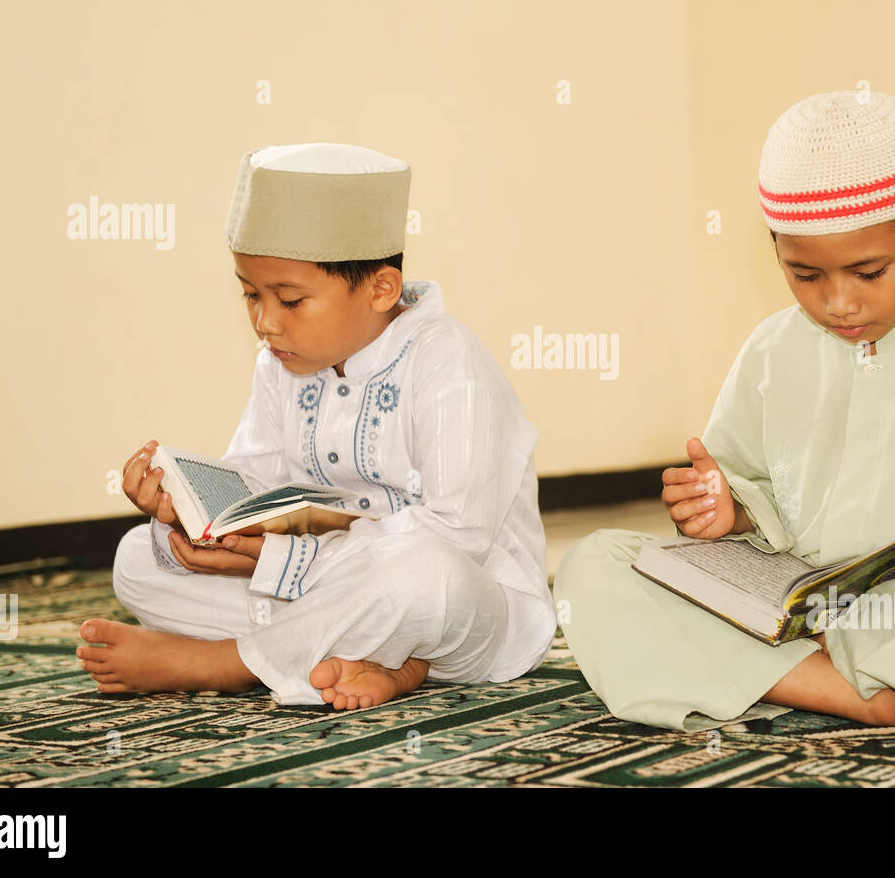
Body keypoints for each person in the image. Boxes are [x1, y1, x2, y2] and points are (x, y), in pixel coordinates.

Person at [553, 91, 895, 744]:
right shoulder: (770, 350)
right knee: (593, 565)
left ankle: (804, 675)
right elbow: (745, 487)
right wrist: (728, 510)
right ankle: (885, 702)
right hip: (803, 606)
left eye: (868, 271)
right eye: (805, 275)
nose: (839, 302)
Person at [77, 142, 556, 709]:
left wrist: (288, 561)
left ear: (380, 289)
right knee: (139, 557)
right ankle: (383, 663)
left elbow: (458, 538)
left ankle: (229, 662)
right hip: (321, 587)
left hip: (468, 606)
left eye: (290, 300)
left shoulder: (449, 363)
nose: (263, 322)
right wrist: (190, 511)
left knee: (425, 577)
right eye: (250, 295)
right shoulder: (282, 363)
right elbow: (254, 487)